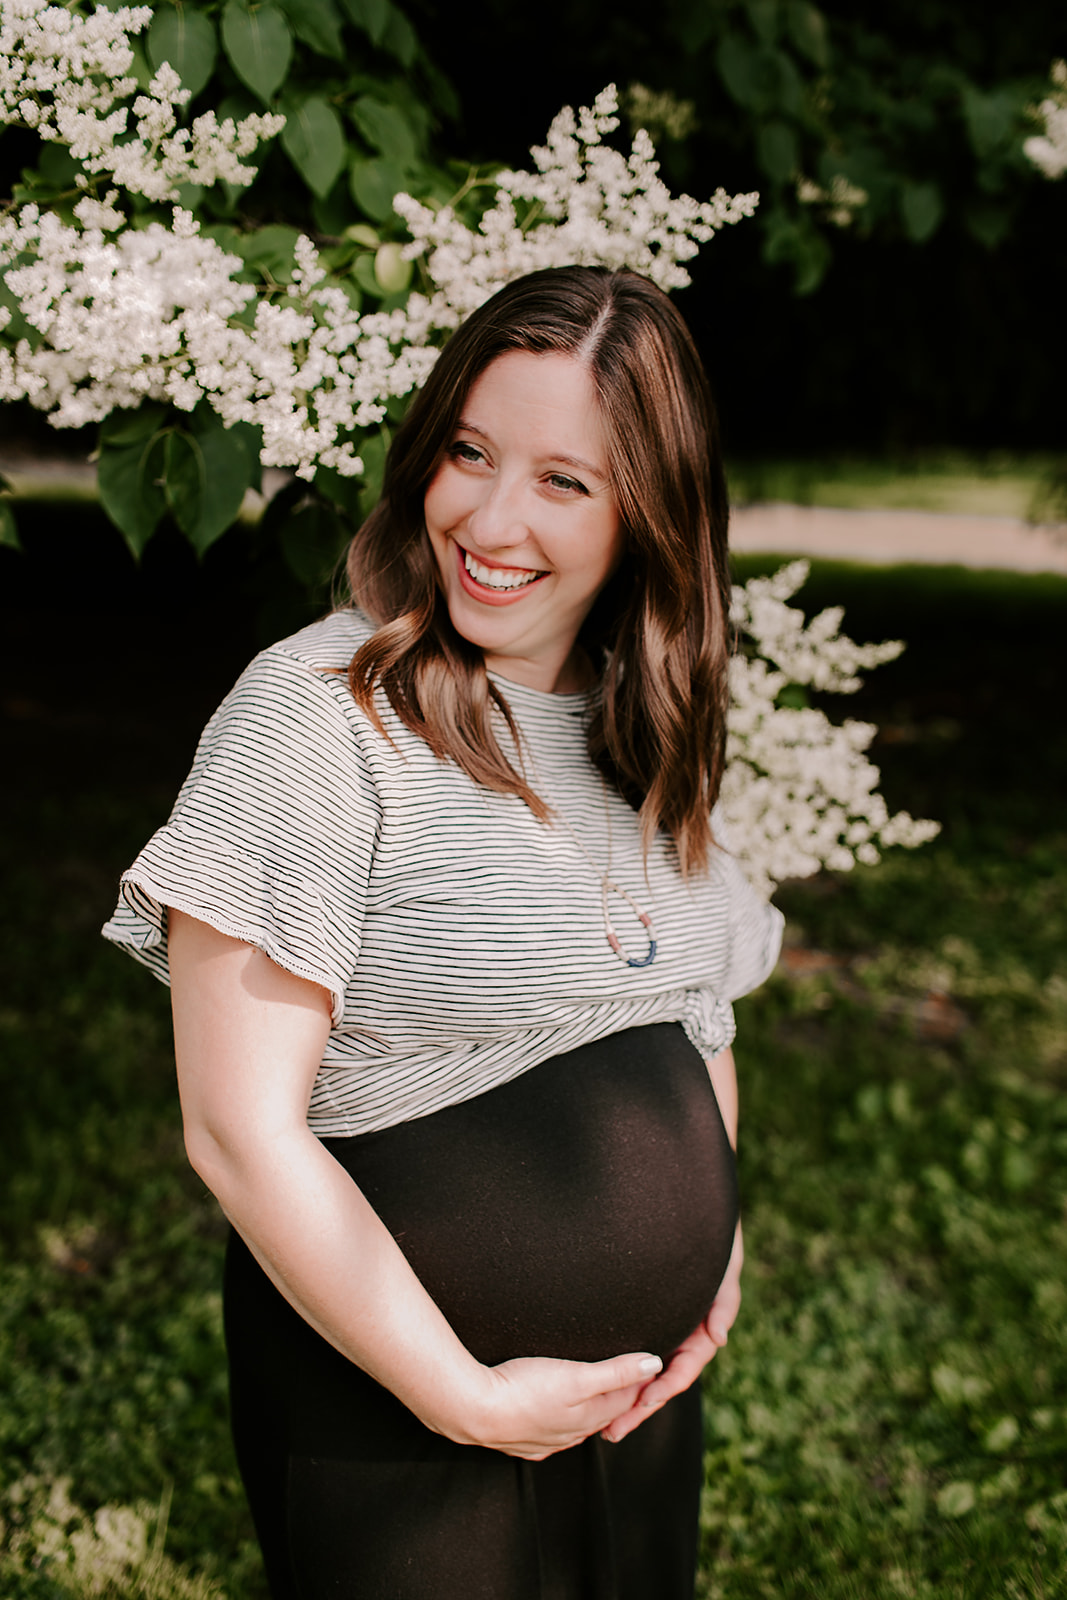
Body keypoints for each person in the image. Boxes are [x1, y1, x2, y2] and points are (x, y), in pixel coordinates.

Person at [103, 265, 783, 1600]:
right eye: (470, 452)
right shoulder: (314, 717)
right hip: (398, 1415)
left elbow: (696, 1013)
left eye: (563, 481)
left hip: (638, 1408)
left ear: (649, 512)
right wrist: (460, 1395)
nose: (489, 515)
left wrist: (713, 1260)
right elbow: (238, 1129)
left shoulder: (643, 729)